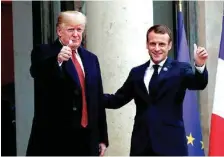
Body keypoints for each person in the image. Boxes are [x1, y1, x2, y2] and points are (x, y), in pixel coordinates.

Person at [104, 25, 208, 156]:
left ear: (169, 46)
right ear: (147, 45)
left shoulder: (180, 69)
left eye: (162, 44)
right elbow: (116, 100)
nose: (157, 48)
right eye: (153, 44)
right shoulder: (137, 72)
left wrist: (199, 65)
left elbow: (199, 84)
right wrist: (89, 94)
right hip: (141, 145)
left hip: (171, 145)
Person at [27, 11, 108, 156]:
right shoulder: (44, 52)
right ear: (59, 31)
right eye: (71, 29)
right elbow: (38, 74)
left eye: (79, 29)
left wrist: (102, 137)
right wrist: (57, 61)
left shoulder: (91, 59)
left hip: (87, 138)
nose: (76, 34)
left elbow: (97, 99)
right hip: (55, 139)